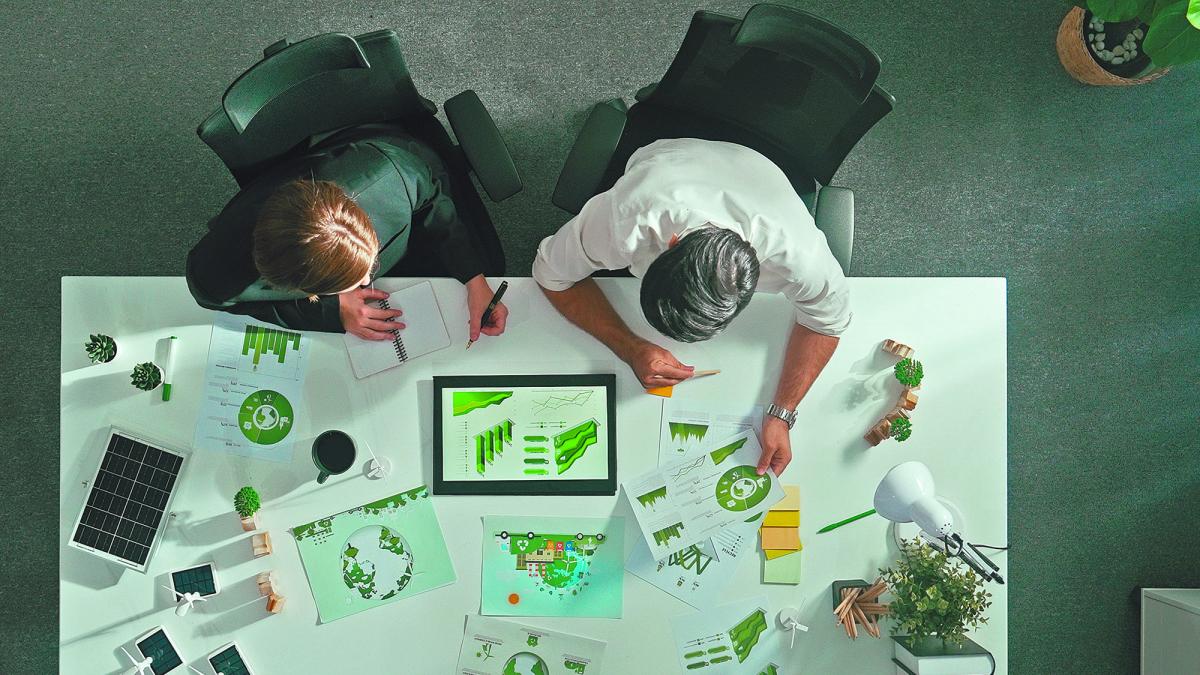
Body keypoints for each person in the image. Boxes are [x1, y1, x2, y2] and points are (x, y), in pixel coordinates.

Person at [533, 138, 850, 477]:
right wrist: (630, 347)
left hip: (758, 169)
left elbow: (827, 323)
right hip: (670, 157)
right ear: (671, 241)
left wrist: (782, 413)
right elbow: (550, 274)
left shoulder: (800, 257)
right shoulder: (626, 217)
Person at [187, 127, 508, 341]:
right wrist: (335, 311)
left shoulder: (390, 173)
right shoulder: (218, 275)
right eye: (353, 282)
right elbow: (218, 300)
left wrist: (473, 277)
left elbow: (433, 195)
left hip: (385, 157)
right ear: (296, 288)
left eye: (365, 272)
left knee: (486, 262)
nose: (368, 282)